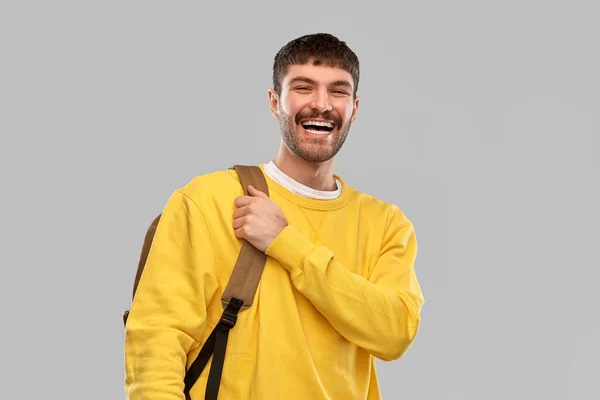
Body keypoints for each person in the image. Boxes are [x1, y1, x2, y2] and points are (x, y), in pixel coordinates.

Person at [124, 32, 425, 400]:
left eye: (338, 91)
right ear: (274, 102)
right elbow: (155, 340)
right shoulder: (209, 200)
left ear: (355, 108)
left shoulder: (386, 225)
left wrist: (286, 243)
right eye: (303, 87)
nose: (321, 104)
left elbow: (395, 333)